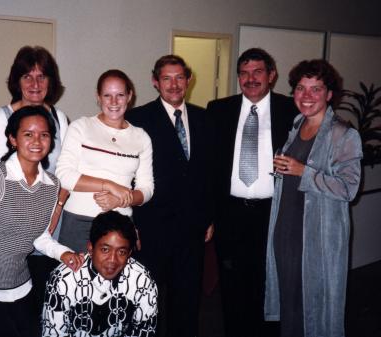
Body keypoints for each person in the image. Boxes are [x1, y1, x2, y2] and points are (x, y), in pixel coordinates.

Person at [0, 106, 84, 337]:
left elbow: (39, 237)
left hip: (21, 287)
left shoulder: (51, 185)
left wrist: (63, 253)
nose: (37, 141)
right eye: (28, 134)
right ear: (12, 139)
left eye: (44, 135)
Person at [265, 60, 362, 337]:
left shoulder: (344, 134)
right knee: (290, 302)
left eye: (316, 89)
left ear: (329, 94)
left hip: (317, 237)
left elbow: (348, 188)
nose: (306, 96)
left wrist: (303, 171)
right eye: (300, 88)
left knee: (317, 308)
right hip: (286, 229)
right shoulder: (296, 125)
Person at [205, 48, 298, 337]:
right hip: (230, 213)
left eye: (258, 71)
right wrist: (208, 215)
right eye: (244, 73)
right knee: (232, 286)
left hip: (273, 213)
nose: (251, 78)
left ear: (271, 75)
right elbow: (209, 166)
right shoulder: (218, 109)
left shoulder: (290, 110)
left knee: (270, 282)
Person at [125, 55, 213, 337]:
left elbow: (209, 172)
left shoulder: (203, 117)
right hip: (151, 228)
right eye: (166, 78)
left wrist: (208, 217)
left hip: (192, 230)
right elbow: (128, 174)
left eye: (179, 78)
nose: (174, 85)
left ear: (188, 80)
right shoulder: (137, 119)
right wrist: (131, 224)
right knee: (146, 300)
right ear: (155, 81)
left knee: (187, 302)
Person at [0, 45, 69, 316]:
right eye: (27, 76)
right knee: (17, 296)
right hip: (15, 218)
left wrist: (56, 207)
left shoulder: (59, 118)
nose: (35, 84)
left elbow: (65, 169)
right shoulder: (2, 118)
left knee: (48, 292)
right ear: (17, 81)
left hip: (52, 215)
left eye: (42, 76)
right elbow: (7, 173)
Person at [56, 69, 153, 253]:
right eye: (107, 95)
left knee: (116, 282)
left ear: (130, 96)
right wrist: (109, 186)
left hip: (121, 224)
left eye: (120, 95)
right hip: (78, 222)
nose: (114, 102)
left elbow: (147, 189)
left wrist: (120, 200)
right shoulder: (80, 127)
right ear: (98, 97)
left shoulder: (141, 137)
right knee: (75, 280)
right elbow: (64, 176)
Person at [42, 211, 157, 337]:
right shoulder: (63, 281)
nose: (112, 260)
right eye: (105, 249)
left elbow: (144, 331)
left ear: (129, 253)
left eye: (122, 252)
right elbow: (53, 334)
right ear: (90, 248)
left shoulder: (142, 281)